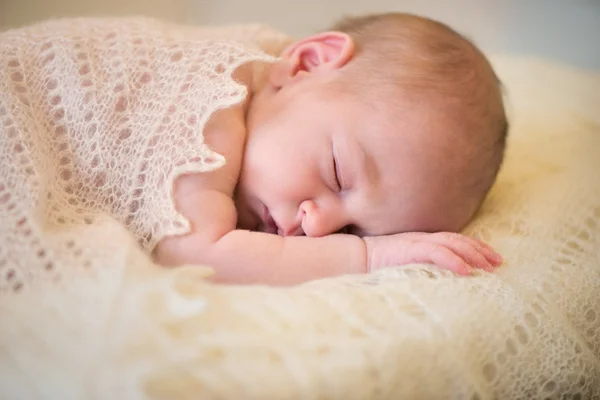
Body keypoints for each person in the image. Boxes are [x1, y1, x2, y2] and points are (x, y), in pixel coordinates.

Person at [154, 12, 508, 285]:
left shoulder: (281, 106)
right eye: (337, 175)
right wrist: (369, 254)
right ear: (307, 64)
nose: (319, 229)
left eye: (348, 233)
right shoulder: (213, 110)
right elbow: (196, 256)